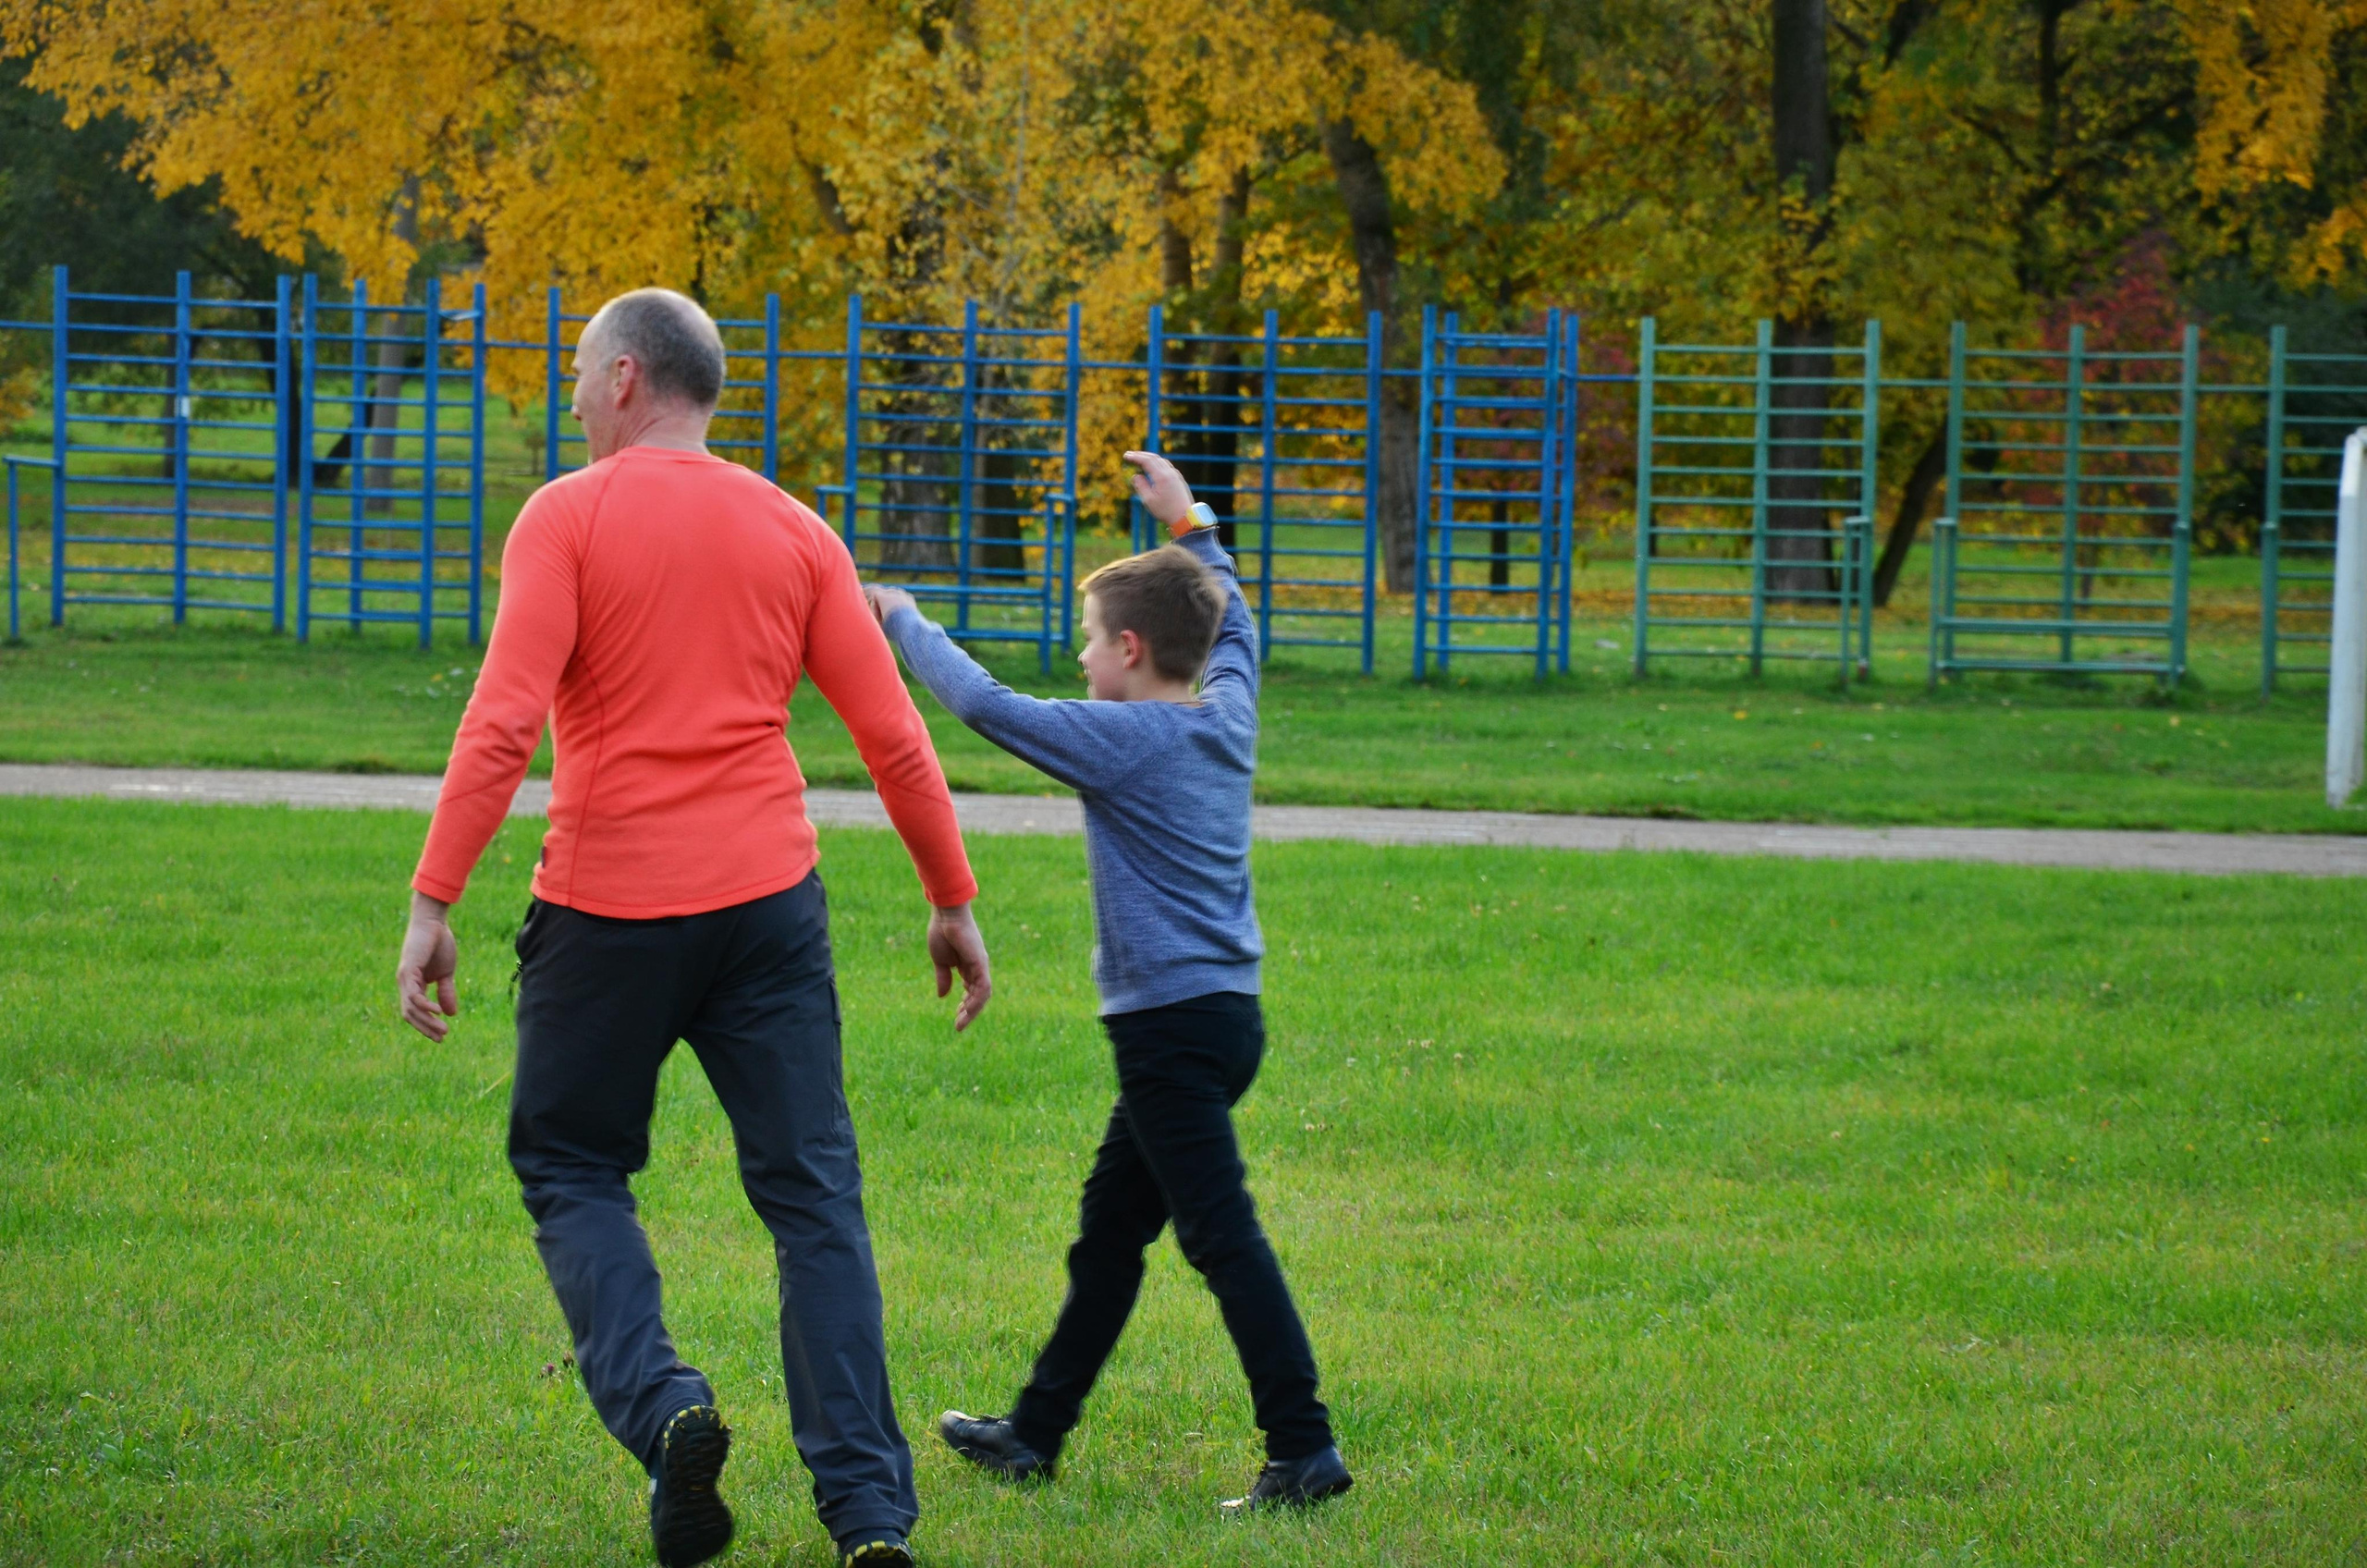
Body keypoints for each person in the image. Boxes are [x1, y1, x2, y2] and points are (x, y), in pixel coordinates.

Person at [393, 288, 989, 1568]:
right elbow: (892, 734)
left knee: (569, 1165)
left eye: (574, 370)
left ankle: (668, 1412)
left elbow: (504, 721)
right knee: (814, 1200)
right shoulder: (794, 529)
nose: (568, 392)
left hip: (607, 905)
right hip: (770, 909)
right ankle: (872, 1519)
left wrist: (435, 897)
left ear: (621, 379)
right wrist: (951, 897)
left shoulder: (567, 516)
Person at [863, 451, 1352, 1515]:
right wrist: (1192, 526)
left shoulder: (1127, 739)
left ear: (1130, 651)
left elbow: (988, 706)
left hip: (1170, 1030)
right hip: (1220, 1019)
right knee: (1108, 1230)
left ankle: (1304, 1449)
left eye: (1088, 641)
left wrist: (899, 618)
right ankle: (1034, 1434)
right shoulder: (1223, 706)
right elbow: (1237, 625)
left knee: (1220, 1234)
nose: (1081, 659)